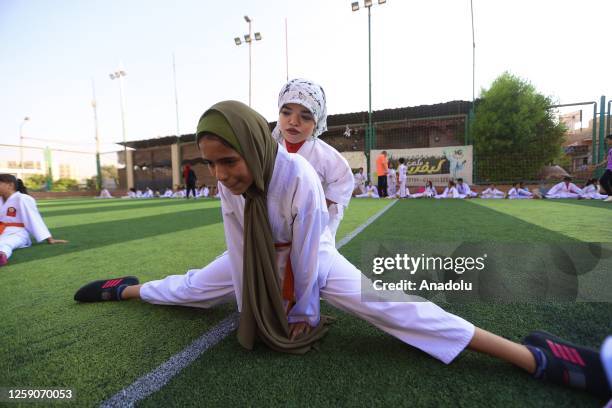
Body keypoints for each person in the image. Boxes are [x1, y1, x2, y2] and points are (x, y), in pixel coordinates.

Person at [74, 101, 611, 398]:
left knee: (392, 305)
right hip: (259, 256)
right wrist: (256, 304)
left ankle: (532, 357)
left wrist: (301, 313)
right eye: (211, 164)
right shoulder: (226, 184)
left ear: (252, 150)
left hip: (314, 255)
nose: (221, 175)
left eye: (229, 163)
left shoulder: (299, 177)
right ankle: (130, 289)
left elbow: (306, 253)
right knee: (193, 287)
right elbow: (239, 247)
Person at [271, 79, 354, 241]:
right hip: (273, 233)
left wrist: (315, 208)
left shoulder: (328, 157)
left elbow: (342, 183)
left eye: (306, 116)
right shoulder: (269, 150)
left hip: (314, 233)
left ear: (316, 123)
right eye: (286, 112)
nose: (294, 122)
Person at [0, 174, 68, 267]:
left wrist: (49, 239)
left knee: (6, 243)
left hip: (17, 232)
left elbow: (34, 219)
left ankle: (2, 255)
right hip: (1, 230)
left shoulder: (23, 199)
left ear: (10, 185)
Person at [594, 134, 612, 202]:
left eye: (607, 140)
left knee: (602, 180)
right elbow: (607, 160)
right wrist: (598, 165)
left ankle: (610, 195)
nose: (606, 142)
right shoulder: (610, 150)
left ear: (611, 140)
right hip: (609, 168)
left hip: (610, 169)